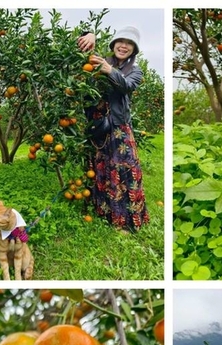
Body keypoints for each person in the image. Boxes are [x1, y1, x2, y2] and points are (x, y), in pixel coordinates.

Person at [76, 26, 149, 231]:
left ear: (133, 50)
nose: (123, 46)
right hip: (97, 127)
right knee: (100, 167)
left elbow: (126, 86)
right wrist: (89, 34)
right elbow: (80, 48)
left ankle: (126, 221)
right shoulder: (100, 60)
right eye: (120, 41)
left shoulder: (135, 70)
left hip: (118, 127)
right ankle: (104, 212)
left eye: (129, 44)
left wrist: (110, 71)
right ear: (114, 44)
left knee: (125, 170)